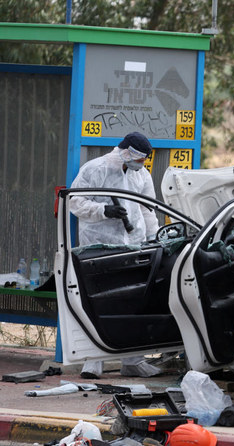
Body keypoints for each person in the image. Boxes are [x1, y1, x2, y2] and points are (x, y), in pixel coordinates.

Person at [70, 131, 161, 379]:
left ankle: (132, 361)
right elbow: (74, 202)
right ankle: (93, 362)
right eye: (140, 159)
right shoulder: (94, 169)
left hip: (133, 244)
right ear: (127, 153)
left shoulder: (141, 174)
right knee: (97, 302)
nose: (142, 164)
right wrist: (104, 210)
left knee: (132, 302)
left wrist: (155, 238)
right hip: (99, 246)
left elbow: (147, 209)